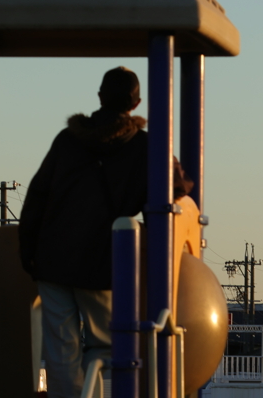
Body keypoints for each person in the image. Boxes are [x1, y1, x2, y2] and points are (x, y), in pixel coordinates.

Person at [18, 67, 192, 398]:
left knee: (60, 353)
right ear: (136, 102)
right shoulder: (145, 146)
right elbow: (177, 186)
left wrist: (28, 253)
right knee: (109, 343)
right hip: (102, 262)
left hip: (52, 259)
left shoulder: (67, 140)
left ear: (99, 97)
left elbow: (36, 197)